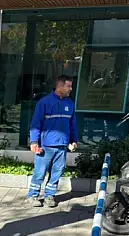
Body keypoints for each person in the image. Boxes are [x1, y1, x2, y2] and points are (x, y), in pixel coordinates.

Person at [27, 74, 79, 208]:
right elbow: (35, 123)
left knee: (57, 172)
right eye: (68, 86)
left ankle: (50, 196)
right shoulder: (44, 102)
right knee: (40, 172)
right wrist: (34, 142)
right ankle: (32, 196)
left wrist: (74, 140)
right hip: (46, 146)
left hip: (62, 146)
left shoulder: (70, 104)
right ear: (60, 86)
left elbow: (72, 124)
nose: (71, 89)